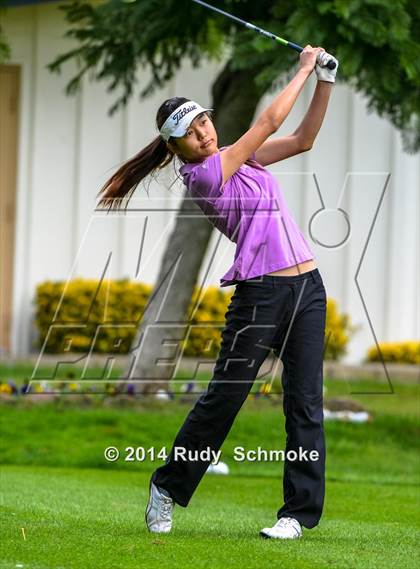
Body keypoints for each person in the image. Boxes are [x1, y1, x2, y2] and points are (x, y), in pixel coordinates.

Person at [97, 45, 338, 539]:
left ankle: (296, 514)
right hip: (260, 294)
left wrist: (326, 83)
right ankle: (166, 486)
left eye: (203, 121)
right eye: (190, 131)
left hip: (308, 289)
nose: (204, 131)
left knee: (306, 404)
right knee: (224, 400)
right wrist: (304, 68)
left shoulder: (240, 162)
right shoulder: (205, 175)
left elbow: (303, 138)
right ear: (175, 148)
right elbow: (268, 123)